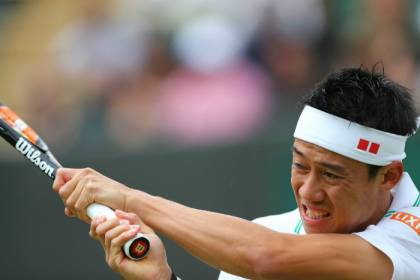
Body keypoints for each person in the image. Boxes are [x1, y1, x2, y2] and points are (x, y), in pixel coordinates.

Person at [53, 67, 420, 280]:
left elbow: (266, 257)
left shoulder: (411, 240)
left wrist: (132, 200)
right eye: (300, 165)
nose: (309, 192)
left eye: (331, 175)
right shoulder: (269, 231)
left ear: (388, 176)